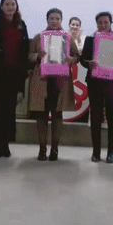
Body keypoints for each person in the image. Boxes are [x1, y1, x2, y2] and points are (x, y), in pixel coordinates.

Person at [28, 8, 78, 161]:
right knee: (41, 115)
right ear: (47, 20)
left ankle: (54, 148)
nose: (54, 21)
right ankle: (42, 148)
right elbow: (29, 56)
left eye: (57, 18)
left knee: (57, 114)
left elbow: (76, 56)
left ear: (61, 20)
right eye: (51, 18)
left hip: (60, 82)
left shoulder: (67, 38)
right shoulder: (39, 37)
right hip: (42, 81)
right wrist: (38, 56)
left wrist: (72, 59)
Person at [0, 0, 30, 158]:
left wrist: (24, 70)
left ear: (16, 7)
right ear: (1, 7)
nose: (10, 7)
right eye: (7, 4)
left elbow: (25, 49)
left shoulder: (21, 25)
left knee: (10, 109)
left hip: (15, 72)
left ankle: (6, 143)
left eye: (13, 4)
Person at [81, 12, 113, 164]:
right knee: (96, 116)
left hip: (112, 83)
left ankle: (111, 152)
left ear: (110, 23)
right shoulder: (90, 39)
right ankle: (96, 152)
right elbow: (83, 59)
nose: (102, 25)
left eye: (105, 22)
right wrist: (89, 63)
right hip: (95, 82)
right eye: (100, 22)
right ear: (97, 24)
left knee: (112, 116)